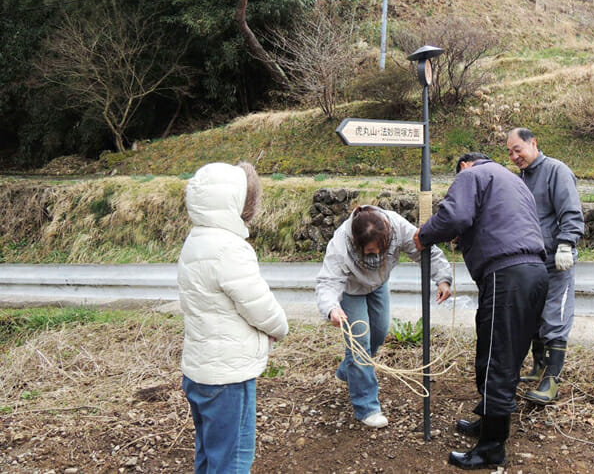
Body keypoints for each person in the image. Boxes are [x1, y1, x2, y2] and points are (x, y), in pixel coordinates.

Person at [414, 152, 548, 470]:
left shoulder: (471, 175)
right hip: (535, 272)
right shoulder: (512, 181)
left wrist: (425, 235)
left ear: (463, 165)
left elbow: (454, 216)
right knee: (509, 356)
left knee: (494, 359)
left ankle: (491, 448)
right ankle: (487, 424)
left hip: (507, 273)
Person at [177, 162, 289, 473]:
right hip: (228, 375)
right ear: (233, 202)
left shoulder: (196, 240)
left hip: (200, 370)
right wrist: (280, 328)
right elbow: (259, 306)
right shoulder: (230, 249)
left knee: (210, 455)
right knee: (233, 460)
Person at [316, 204, 452, 428]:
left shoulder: (397, 227)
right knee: (359, 345)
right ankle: (367, 407)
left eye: (381, 250)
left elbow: (424, 248)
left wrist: (443, 278)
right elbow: (328, 281)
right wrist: (331, 308)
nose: (377, 255)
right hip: (351, 290)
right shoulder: (341, 243)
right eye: (370, 252)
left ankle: (348, 372)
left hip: (378, 285)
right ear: (357, 244)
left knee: (378, 334)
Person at [506, 128, 585, 405]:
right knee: (533, 316)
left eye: (518, 149)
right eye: (510, 152)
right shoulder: (520, 180)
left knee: (555, 316)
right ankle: (538, 366)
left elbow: (571, 211)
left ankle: (551, 380)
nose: (515, 156)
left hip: (556, 260)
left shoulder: (556, 171)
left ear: (533, 143)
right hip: (530, 261)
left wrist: (566, 243)